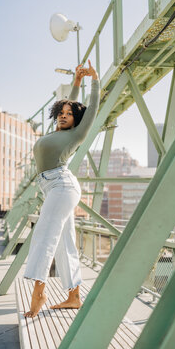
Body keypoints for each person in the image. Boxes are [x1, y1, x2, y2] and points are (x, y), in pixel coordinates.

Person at [23, 60, 100, 318]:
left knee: (45, 235)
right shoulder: (54, 132)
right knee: (65, 242)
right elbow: (71, 103)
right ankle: (73, 296)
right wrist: (76, 81)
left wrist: (95, 81)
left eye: (69, 114)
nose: (64, 115)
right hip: (52, 187)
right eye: (61, 112)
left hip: (62, 185)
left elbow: (89, 111)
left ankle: (39, 292)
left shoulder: (75, 135)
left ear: (76, 120)